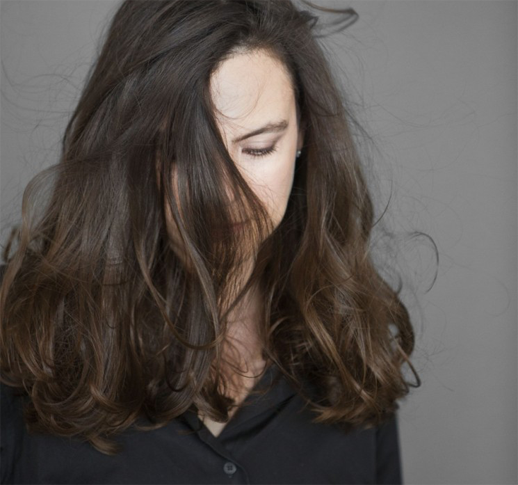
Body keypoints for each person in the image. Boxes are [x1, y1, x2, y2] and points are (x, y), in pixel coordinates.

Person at [0, 0, 421, 483]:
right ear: (126, 147)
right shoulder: (19, 337)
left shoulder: (348, 344)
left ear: (304, 132)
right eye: (181, 155)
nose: (224, 197)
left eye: (258, 148)